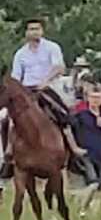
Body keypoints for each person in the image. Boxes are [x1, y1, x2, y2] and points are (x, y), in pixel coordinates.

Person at [4, 17, 86, 175]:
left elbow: (59, 67)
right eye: (30, 29)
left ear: (42, 31)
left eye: (37, 28)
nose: (34, 32)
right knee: (10, 117)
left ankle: (74, 149)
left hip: (48, 87)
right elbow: (16, 77)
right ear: (26, 32)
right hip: (26, 90)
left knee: (62, 112)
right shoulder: (20, 54)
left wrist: (45, 82)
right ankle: (9, 151)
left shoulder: (51, 47)